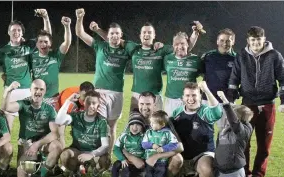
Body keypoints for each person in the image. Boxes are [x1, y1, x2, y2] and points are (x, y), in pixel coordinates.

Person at [227, 26, 284, 177]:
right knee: (244, 143)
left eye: (258, 40)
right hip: (247, 105)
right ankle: (245, 174)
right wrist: (231, 100)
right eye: (253, 40)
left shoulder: (275, 56)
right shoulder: (242, 55)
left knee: (264, 144)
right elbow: (234, 79)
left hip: (268, 104)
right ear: (248, 41)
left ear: (264, 39)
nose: (256, 43)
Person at [91, 21, 202, 111]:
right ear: (140, 36)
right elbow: (113, 39)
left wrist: (195, 33)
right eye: (144, 32)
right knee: (135, 126)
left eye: (149, 32)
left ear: (154, 36)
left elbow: (183, 47)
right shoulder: (133, 48)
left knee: (156, 128)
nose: (146, 34)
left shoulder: (161, 50)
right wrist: (97, 30)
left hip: (155, 97)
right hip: (136, 96)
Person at [75, 8, 139, 155]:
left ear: (121, 35)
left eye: (117, 33)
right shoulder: (100, 46)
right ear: (107, 35)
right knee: (100, 126)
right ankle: (94, 155)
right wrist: (80, 18)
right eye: (111, 33)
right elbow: (80, 33)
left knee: (112, 128)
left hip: (117, 93)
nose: (114, 36)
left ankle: (107, 157)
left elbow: (140, 50)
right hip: (100, 93)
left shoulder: (126, 50)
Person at [0, 9, 52, 131]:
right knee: (6, 130)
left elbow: (47, 36)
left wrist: (45, 18)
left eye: (18, 30)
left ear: (22, 32)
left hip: (28, 92)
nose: (16, 32)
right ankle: (5, 149)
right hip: (10, 91)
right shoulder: (2, 51)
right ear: (8, 32)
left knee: (29, 130)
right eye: (13, 30)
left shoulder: (29, 46)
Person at [3, 79, 62, 177]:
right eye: (35, 88)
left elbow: (55, 133)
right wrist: (8, 91)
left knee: (57, 146)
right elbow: (6, 107)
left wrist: (37, 145)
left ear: (44, 92)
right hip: (27, 143)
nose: (38, 92)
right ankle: (37, 162)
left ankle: (43, 175)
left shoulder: (49, 109)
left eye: (41, 89)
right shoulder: (23, 104)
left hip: (43, 143)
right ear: (30, 90)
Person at [170, 81, 222, 177]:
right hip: (185, 158)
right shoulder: (177, 113)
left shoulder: (204, 111)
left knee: (206, 170)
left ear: (199, 96)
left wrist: (207, 90)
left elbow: (217, 113)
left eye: (194, 95)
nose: (191, 99)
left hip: (203, 155)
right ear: (183, 97)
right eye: (188, 95)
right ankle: (187, 175)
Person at [213, 91, 258, 177]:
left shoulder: (243, 130)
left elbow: (234, 122)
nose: (227, 117)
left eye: (231, 115)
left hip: (233, 172)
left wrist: (226, 102)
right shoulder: (224, 128)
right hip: (221, 172)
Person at [56, 91, 109, 177]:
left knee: (105, 160)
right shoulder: (76, 116)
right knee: (65, 155)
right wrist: (68, 101)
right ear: (83, 103)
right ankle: (76, 176)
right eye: (88, 102)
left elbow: (105, 146)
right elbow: (59, 120)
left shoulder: (102, 122)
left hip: (94, 154)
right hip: (78, 152)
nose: (90, 106)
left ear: (98, 105)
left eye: (94, 103)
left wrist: (91, 154)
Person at [200, 28, 236, 133]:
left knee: (224, 131)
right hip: (206, 99)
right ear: (217, 41)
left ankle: (221, 150)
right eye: (222, 40)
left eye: (228, 41)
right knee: (204, 130)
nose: (225, 43)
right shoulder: (208, 56)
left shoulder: (237, 59)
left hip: (226, 101)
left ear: (233, 41)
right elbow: (198, 72)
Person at [31, 16, 72, 109]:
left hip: (54, 99)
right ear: (36, 44)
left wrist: (67, 26)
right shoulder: (31, 57)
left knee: (54, 123)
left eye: (46, 42)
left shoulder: (56, 56)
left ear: (50, 43)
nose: (43, 44)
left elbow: (67, 42)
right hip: (37, 99)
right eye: (40, 41)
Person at [141, 111, 180, 177]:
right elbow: (143, 144)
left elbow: (174, 144)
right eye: (150, 122)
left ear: (162, 124)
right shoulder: (149, 132)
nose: (150, 125)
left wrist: (164, 148)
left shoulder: (167, 133)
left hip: (161, 162)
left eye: (153, 123)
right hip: (149, 161)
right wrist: (152, 145)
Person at [163, 32, 204, 114]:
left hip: (191, 101)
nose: (179, 47)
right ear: (173, 46)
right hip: (171, 101)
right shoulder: (167, 58)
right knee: (171, 126)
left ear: (188, 44)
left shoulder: (196, 60)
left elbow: (206, 76)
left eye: (182, 43)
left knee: (190, 126)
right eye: (176, 44)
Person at [108, 112, 146, 177]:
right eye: (132, 124)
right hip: (125, 161)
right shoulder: (124, 136)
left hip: (136, 165)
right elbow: (116, 148)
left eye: (138, 125)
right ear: (129, 126)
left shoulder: (144, 138)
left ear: (142, 127)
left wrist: (137, 159)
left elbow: (146, 152)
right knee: (116, 164)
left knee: (126, 168)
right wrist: (122, 159)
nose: (135, 127)